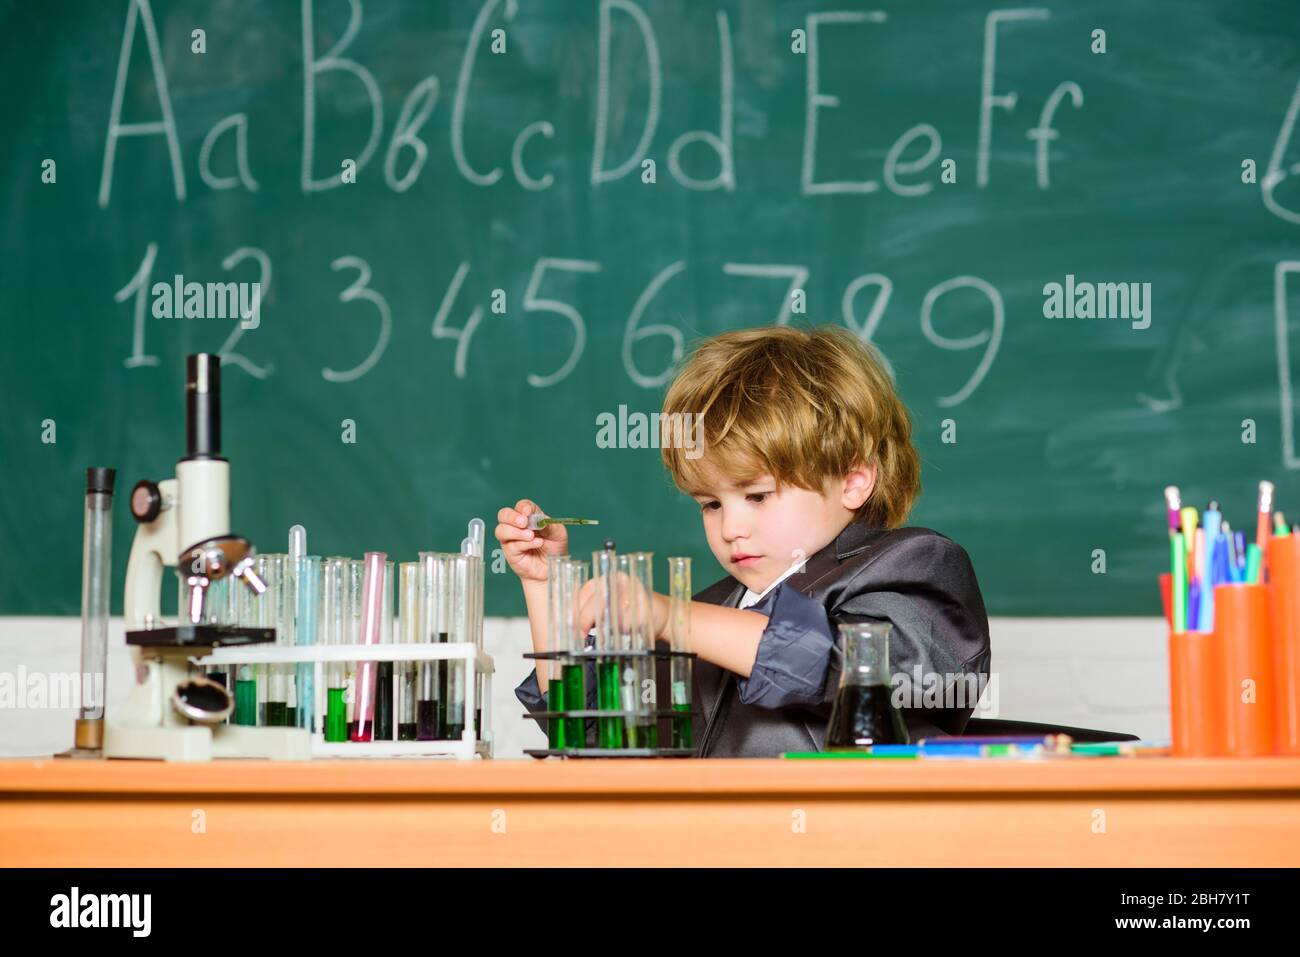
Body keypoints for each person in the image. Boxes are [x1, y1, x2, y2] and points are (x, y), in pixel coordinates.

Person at [497, 324, 991, 757]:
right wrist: (549, 585)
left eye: (757, 495)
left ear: (853, 480)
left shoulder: (914, 565)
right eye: (710, 504)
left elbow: (858, 668)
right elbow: (586, 730)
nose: (730, 527)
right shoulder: (715, 609)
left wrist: (674, 617)